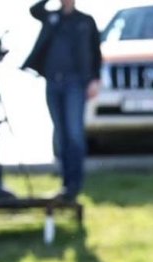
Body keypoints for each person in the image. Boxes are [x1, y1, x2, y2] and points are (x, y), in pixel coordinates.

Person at [22, 0, 102, 201]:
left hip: (75, 84)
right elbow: (34, 10)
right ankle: (66, 184)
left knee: (74, 133)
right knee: (61, 135)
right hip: (53, 82)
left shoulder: (85, 21)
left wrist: (95, 79)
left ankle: (75, 185)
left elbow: (96, 53)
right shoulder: (52, 18)